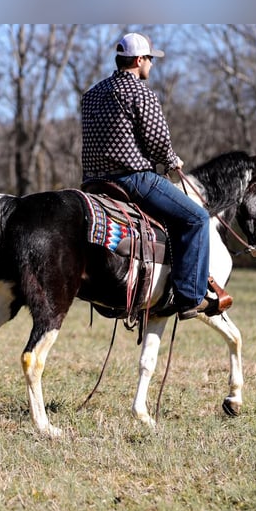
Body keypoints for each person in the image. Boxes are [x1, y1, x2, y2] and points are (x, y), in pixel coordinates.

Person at [81, 32, 232, 320]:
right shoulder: (140, 92)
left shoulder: (92, 94)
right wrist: (172, 160)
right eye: (150, 58)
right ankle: (190, 297)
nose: (151, 64)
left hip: (94, 183)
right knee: (196, 218)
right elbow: (158, 142)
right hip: (133, 180)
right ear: (138, 60)